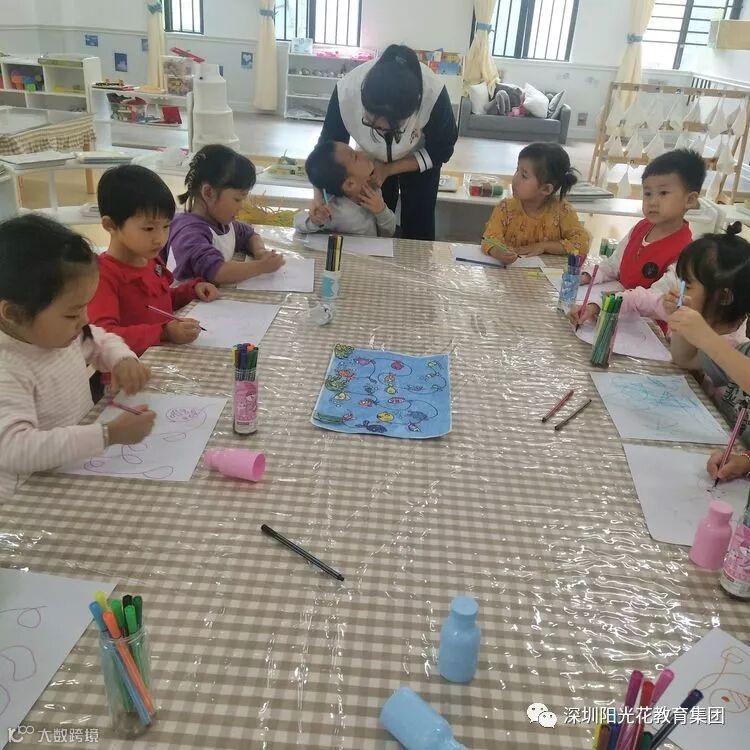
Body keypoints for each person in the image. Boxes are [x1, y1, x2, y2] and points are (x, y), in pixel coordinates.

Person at [0, 215, 154, 499]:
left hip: (73, 469)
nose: (84, 319)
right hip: (28, 497)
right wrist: (107, 434)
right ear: (13, 314)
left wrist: (122, 359)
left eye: (85, 307)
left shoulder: (59, 334)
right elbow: (14, 449)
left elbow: (100, 341)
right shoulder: (8, 368)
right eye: (72, 313)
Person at [316, 44, 457, 241]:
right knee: (374, 222)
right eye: (372, 124)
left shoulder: (433, 94)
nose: (382, 133)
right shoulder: (346, 92)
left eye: (393, 129)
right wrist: (318, 197)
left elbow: (442, 149)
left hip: (418, 157)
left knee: (419, 222)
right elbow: (326, 154)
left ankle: (417, 257)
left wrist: (390, 168)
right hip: (370, 162)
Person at [88, 165, 220, 356]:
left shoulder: (150, 260)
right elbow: (103, 337)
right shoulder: (102, 276)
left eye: (166, 226)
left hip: (163, 360)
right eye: (149, 229)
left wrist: (191, 290)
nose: (160, 238)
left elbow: (156, 306)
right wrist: (164, 332)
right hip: (129, 370)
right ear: (111, 225)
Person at [570, 149, 705, 326]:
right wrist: (587, 276)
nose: (652, 202)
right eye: (648, 193)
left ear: (690, 200)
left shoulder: (686, 253)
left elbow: (651, 299)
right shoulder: (642, 227)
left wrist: (601, 304)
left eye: (663, 193)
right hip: (615, 311)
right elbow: (614, 264)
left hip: (646, 328)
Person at [663, 225, 750, 479]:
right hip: (721, 442)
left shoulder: (736, 342)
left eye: (687, 285)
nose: (680, 289)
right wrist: (681, 319)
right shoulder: (733, 343)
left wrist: (706, 338)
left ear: (724, 297)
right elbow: (684, 359)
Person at [166, 145, 285, 283]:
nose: (241, 206)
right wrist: (261, 267)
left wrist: (260, 252)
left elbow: (249, 234)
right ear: (209, 193)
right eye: (237, 199)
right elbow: (217, 271)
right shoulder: (189, 233)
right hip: (183, 296)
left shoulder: (220, 222)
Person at [481, 142, 589, 263]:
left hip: (548, 273)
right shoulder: (505, 208)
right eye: (517, 170)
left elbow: (582, 243)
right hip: (510, 270)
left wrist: (544, 246)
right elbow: (489, 238)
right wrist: (498, 252)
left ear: (546, 189)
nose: (515, 179)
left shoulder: (563, 211)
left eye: (524, 175)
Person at [294, 140, 396, 237]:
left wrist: (381, 211)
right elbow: (297, 223)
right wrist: (315, 221)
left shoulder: (374, 191)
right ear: (350, 184)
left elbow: (389, 232)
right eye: (355, 156)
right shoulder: (333, 210)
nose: (362, 153)